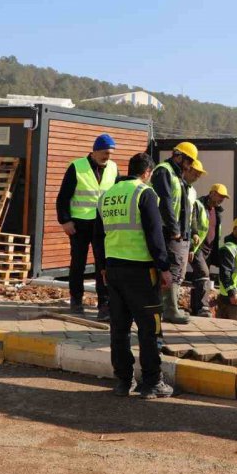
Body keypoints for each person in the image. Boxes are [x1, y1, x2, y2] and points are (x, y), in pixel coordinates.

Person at [94, 152, 173, 399]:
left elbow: (98, 237)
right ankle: (152, 382)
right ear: (147, 172)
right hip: (141, 271)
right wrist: (164, 267)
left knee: (119, 329)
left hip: (114, 270)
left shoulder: (107, 196)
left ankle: (123, 381)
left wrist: (103, 267)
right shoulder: (144, 193)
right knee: (150, 328)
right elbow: (154, 234)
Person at [56, 133, 119, 320]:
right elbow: (63, 197)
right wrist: (65, 221)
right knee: (78, 264)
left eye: (111, 153)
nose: (108, 157)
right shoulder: (77, 167)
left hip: (103, 224)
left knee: (103, 265)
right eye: (106, 153)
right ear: (95, 151)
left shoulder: (113, 168)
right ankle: (76, 300)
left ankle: (104, 305)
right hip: (79, 224)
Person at [151, 142, 198, 325]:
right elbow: (166, 203)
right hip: (168, 231)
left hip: (177, 232)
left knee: (176, 270)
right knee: (172, 269)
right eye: (188, 161)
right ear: (178, 156)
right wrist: (174, 230)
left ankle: (168, 307)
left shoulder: (177, 175)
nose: (189, 165)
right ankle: (170, 309)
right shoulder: (164, 171)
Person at [188, 183, 228, 317]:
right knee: (204, 273)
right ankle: (203, 307)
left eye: (223, 198)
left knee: (198, 277)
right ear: (212, 193)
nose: (221, 200)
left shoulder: (217, 210)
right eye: (220, 196)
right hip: (197, 247)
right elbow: (192, 221)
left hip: (209, 250)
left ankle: (194, 308)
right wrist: (192, 242)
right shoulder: (198, 205)